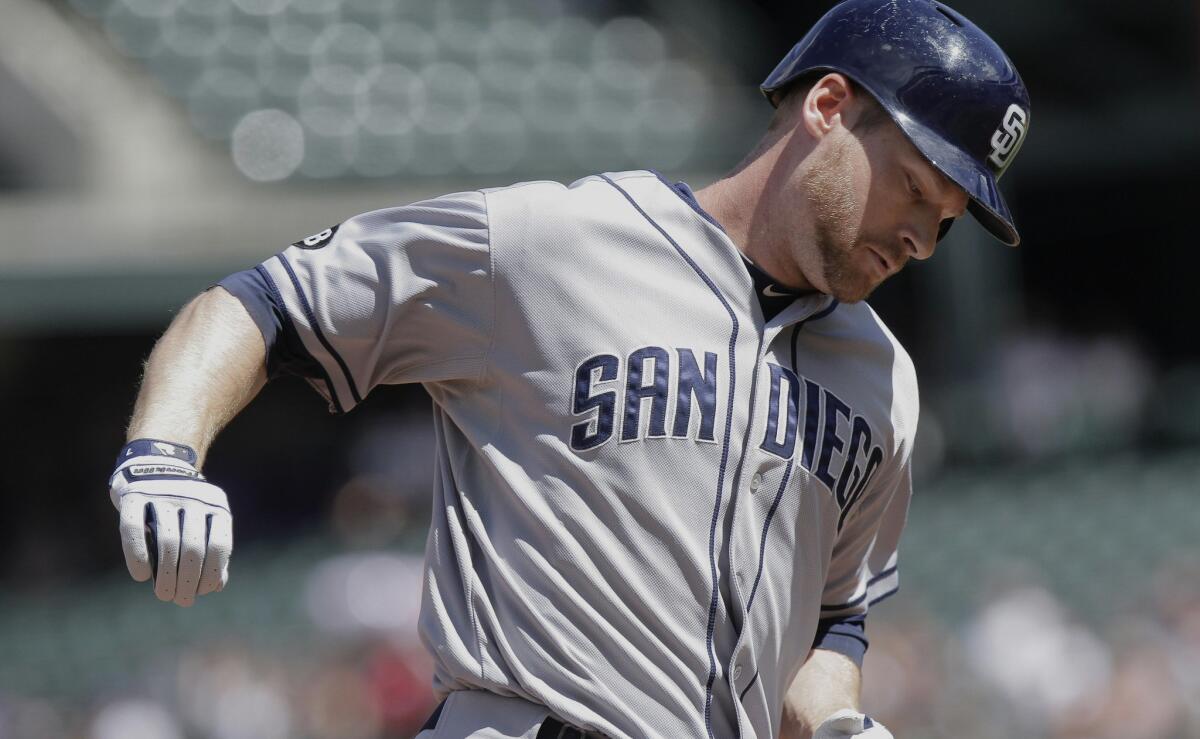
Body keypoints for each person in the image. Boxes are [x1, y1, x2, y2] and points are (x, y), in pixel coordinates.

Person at [106, 0, 1029, 737]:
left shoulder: (884, 384)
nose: (922, 236)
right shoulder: (551, 244)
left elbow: (834, 619)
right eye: (915, 186)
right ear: (830, 107)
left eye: (946, 217)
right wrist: (163, 448)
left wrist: (834, 720)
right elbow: (266, 302)